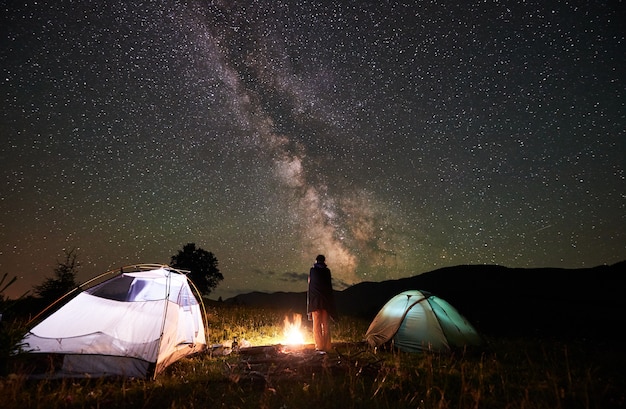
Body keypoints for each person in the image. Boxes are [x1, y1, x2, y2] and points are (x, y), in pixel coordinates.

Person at [307, 254, 337, 352]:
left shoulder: (312, 271)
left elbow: (310, 286)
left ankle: (319, 347)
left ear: (316, 261)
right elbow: (329, 288)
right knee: (326, 325)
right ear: (324, 261)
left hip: (315, 302)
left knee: (316, 326)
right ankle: (327, 346)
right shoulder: (327, 271)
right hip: (325, 303)